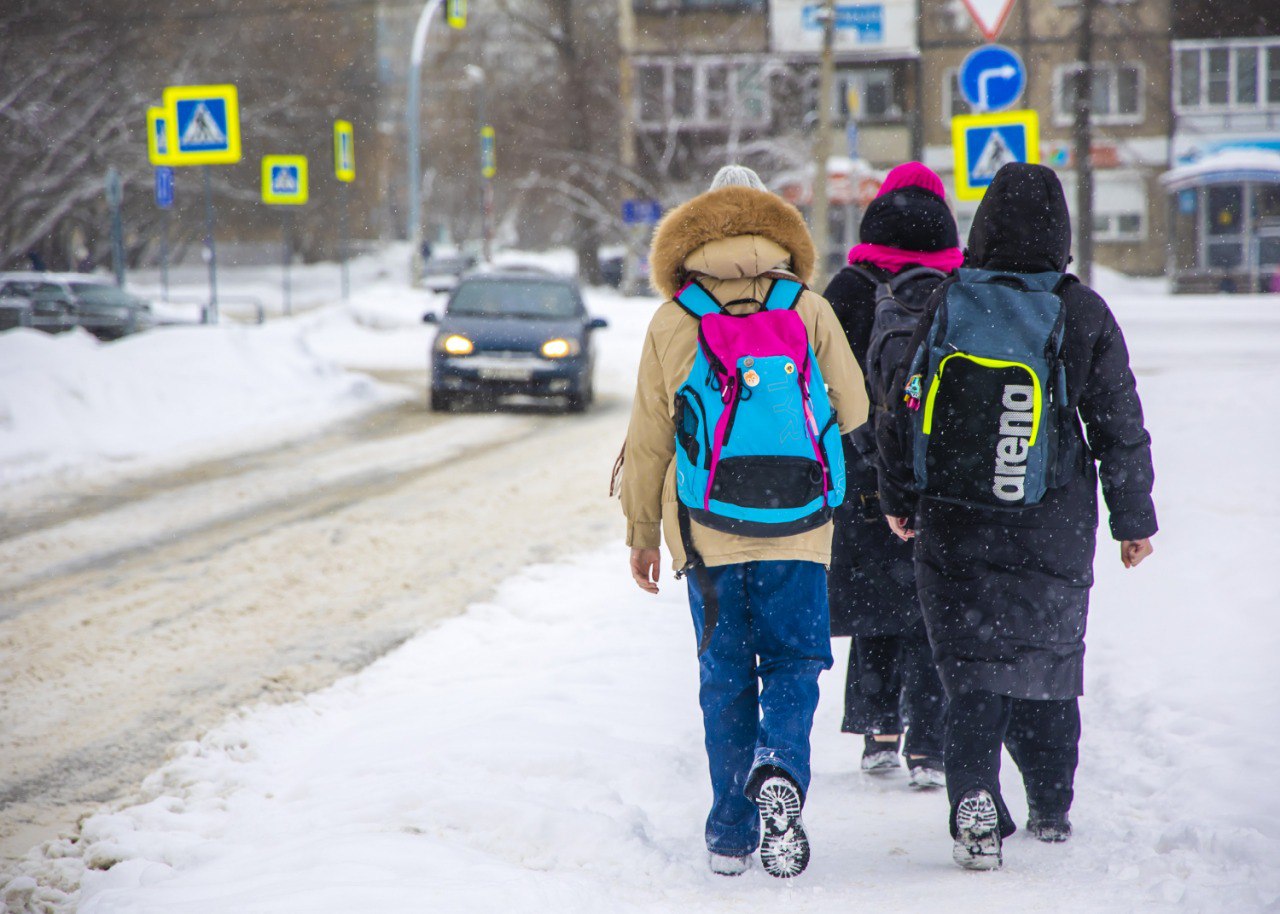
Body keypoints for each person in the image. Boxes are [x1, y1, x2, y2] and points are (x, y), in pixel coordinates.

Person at [878, 163, 1157, 870]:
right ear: (1061, 232)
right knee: (1047, 661)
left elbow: (902, 406)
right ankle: (1052, 805)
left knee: (973, 669)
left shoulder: (949, 299)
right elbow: (1118, 423)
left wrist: (899, 498)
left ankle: (974, 793)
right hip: (1053, 519)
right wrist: (1132, 519)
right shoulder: (1081, 309)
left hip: (954, 518)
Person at [620, 165, 867, 878]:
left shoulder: (674, 318)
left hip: (708, 535)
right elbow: (854, 410)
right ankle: (781, 763)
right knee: (795, 661)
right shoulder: (807, 307)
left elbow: (648, 441)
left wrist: (642, 534)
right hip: (801, 525)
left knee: (726, 676)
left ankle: (730, 832)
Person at [822, 162, 959, 788]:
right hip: (939, 466)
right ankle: (929, 745)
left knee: (873, 593)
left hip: (861, 464)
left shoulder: (849, 286)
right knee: (932, 601)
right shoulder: (961, 283)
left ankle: (877, 729)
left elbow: (810, 375)